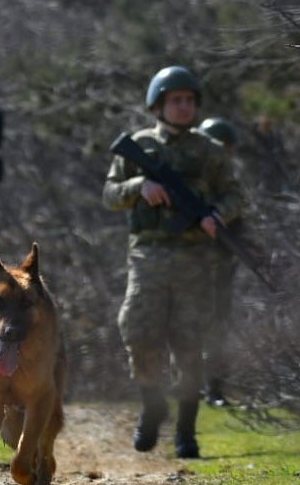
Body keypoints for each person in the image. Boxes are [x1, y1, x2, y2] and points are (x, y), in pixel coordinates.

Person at [102, 66, 243, 459]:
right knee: (138, 330)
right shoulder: (140, 145)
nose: (184, 107)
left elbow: (236, 196)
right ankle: (152, 404)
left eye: (189, 100)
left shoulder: (209, 151)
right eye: (175, 100)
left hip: (195, 258)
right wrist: (139, 187)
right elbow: (110, 194)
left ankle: (186, 431)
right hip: (148, 254)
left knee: (189, 343)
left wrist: (217, 215)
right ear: (159, 105)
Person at [196, 116, 242, 407]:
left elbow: (240, 218)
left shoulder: (229, 185)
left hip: (221, 266)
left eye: (225, 147)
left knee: (218, 328)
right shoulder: (192, 181)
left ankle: (214, 387)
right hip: (188, 265)